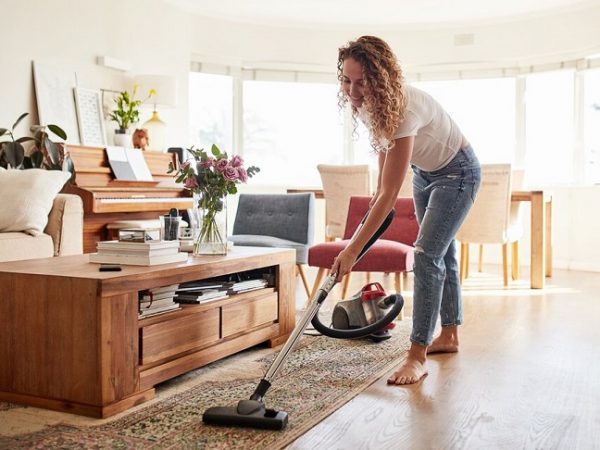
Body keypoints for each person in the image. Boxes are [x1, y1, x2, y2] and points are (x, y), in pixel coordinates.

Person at [331, 36, 481, 385]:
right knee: (444, 252)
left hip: (458, 172)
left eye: (361, 82)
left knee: (427, 256)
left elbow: (389, 194)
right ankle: (450, 335)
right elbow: (383, 184)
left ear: (380, 79)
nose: (352, 91)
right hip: (424, 173)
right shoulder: (370, 104)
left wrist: (352, 249)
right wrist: (373, 206)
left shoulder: (404, 108)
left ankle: (417, 356)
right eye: (346, 80)